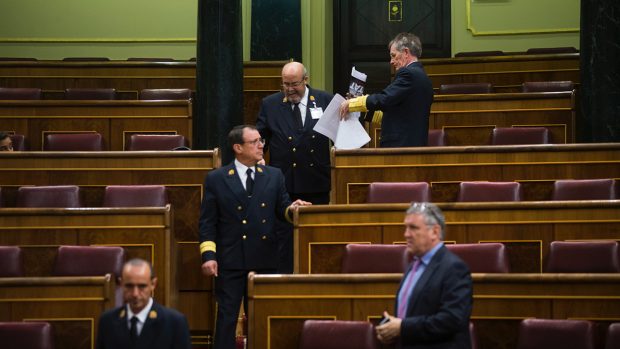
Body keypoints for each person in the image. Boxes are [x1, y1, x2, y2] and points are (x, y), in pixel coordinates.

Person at [198, 125, 311, 349]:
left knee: (262, 317)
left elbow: (283, 209)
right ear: (238, 147)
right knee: (227, 318)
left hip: (264, 259)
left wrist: (294, 208)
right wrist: (208, 255)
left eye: (261, 140)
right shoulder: (217, 179)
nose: (262, 145)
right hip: (230, 261)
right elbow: (207, 222)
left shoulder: (273, 175)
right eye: (255, 142)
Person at [256, 61, 333, 272]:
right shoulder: (270, 104)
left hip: (316, 179)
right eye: (285, 84)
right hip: (283, 183)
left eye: (294, 84)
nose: (290, 89)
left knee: (317, 233)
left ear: (306, 81)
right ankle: (285, 282)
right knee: (284, 237)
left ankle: (317, 277)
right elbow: (260, 136)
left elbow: (341, 134)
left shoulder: (325, 100)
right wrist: (258, 154)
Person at [375, 202, 472, 348]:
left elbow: (451, 320)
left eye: (413, 228)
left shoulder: (454, 268)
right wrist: (390, 329)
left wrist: (402, 327)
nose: (406, 234)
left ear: (435, 231)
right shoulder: (413, 266)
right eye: (406, 228)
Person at [339, 32, 434, 147]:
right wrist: (363, 110)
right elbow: (398, 112)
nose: (391, 61)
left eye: (393, 55)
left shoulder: (408, 73)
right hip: (412, 144)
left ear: (405, 52)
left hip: (401, 147)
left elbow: (385, 98)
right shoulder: (422, 76)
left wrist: (352, 103)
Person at [96, 258, 192, 349]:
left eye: (142, 286)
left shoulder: (174, 322)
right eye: (129, 286)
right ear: (121, 284)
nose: (135, 294)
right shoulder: (107, 321)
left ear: (153, 284)